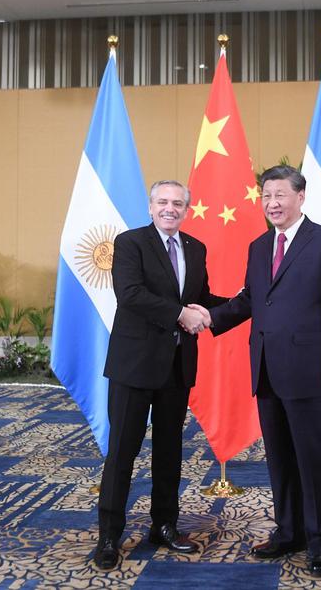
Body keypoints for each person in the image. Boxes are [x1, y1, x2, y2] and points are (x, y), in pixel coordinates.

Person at [193, 164, 321, 578]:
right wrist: (209, 316)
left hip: (314, 372)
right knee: (280, 458)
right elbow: (252, 300)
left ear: (301, 197)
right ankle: (290, 532)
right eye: (266, 196)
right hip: (266, 368)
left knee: (315, 459)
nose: (272, 203)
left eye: (280, 195)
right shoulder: (260, 246)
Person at [93, 180, 225, 570]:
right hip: (134, 366)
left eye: (178, 203)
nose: (170, 208)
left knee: (170, 453)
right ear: (150, 206)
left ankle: (164, 526)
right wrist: (179, 314)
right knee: (122, 452)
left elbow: (201, 298)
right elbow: (129, 293)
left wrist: (247, 301)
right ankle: (109, 536)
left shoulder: (196, 248)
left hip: (176, 366)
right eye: (163, 202)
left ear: (187, 208)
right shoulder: (130, 243)